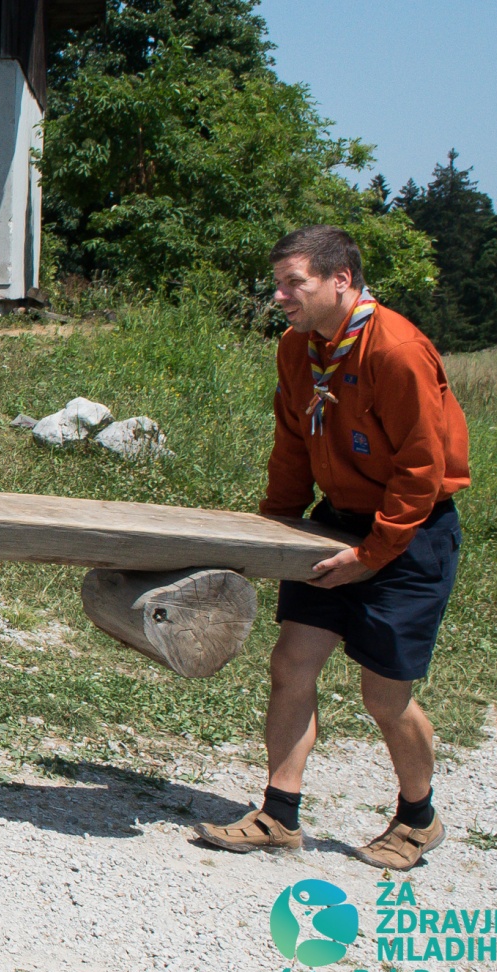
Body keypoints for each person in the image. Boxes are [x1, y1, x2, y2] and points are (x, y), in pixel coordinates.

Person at [194, 225, 469, 871]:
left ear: (340, 279)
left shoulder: (396, 349)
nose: (281, 296)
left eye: (295, 282)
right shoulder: (299, 349)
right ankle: (277, 814)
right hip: (332, 523)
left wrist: (373, 555)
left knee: (384, 696)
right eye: (279, 284)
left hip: (411, 533)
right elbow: (293, 441)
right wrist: (273, 529)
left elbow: (421, 470)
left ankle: (417, 817)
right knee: (292, 662)